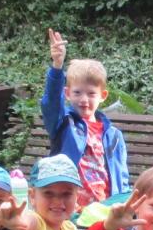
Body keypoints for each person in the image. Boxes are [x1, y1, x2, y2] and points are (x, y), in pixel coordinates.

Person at [41, 28, 128, 208]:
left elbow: (121, 176)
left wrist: (122, 204)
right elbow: (51, 103)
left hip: (105, 208)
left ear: (103, 95)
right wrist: (57, 66)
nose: (84, 99)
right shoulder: (63, 123)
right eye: (77, 92)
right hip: (70, 208)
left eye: (91, 93)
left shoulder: (114, 136)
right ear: (67, 93)